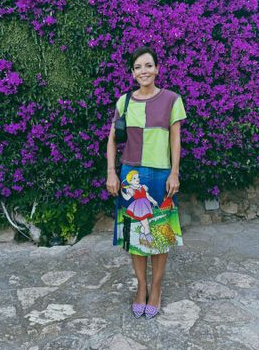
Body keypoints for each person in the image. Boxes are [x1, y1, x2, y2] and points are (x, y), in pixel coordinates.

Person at [106, 46, 187, 319]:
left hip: (162, 175)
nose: (144, 71)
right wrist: (111, 172)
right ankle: (141, 287)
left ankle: (156, 287)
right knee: (136, 237)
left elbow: (175, 140)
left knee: (159, 236)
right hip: (131, 176)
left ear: (157, 69)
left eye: (148, 65)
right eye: (138, 67)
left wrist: (174, 172)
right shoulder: (124, 102)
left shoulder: (172, 100)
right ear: (132, 73)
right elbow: (112, 140)